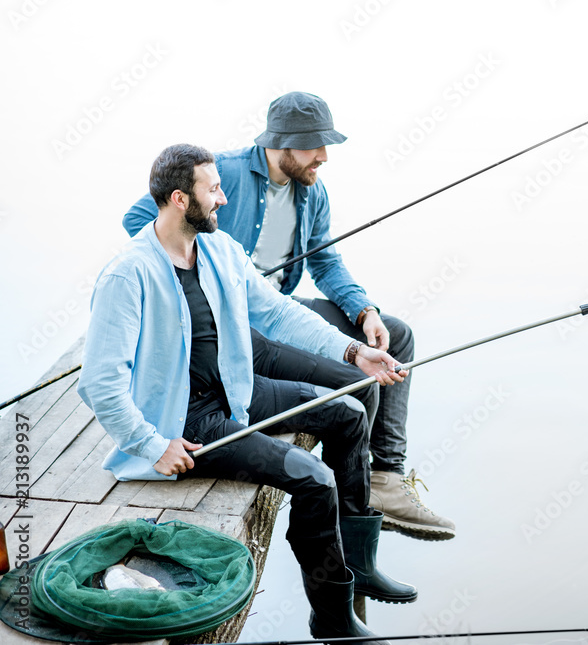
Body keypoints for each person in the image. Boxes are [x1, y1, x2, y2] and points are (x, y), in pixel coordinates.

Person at [80, 143, 413, 642]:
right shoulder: (128, 274)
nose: (223, 199)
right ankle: (332, 614)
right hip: (188, 422)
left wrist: (353, 352)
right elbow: (100, 383)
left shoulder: (219, 250)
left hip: (237, 391)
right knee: (313, 478)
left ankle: (359, 562)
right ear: (178, 199)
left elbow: (277, 312)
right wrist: (152, 445)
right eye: (212, 190)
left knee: (347, 413)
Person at [123, 91, 455, 541]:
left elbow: (325, 263)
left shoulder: (312, 192)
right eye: (314, 145)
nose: (322, 157)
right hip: (233, 324)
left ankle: (386, 477)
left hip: (275, 307)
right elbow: (140, 220)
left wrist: (364, 310)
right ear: (281, 143)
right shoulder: (226, 175)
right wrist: (209, 277)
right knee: (345, 393)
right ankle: (348, 501)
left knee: (396, 334)